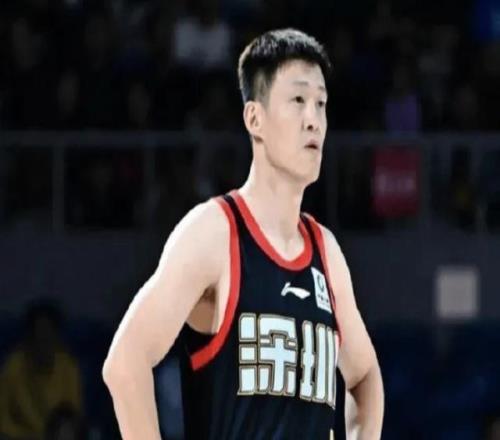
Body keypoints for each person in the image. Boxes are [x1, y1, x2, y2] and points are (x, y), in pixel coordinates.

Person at [103, 28, 384, 439]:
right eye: (298, 100)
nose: (314, 120)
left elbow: (364, 376)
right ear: (255, 119)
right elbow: (125, 363)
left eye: (321, 104)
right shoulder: (214, 231)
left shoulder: (326, 251)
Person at [0, 301, 83, 440]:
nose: (43, 343)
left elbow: (73, 419)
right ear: (29, 339)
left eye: (48, 336)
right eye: (38, 336)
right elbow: (2, 420)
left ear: (56, 338)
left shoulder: (68, 368)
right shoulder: (14, 366)